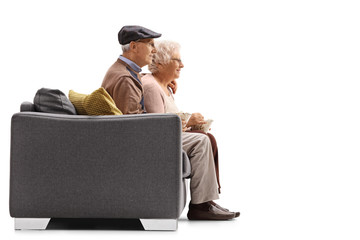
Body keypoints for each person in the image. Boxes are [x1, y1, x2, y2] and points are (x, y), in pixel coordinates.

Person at [101, 25, 239, 220]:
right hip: (136, 144)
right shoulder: (125, 77)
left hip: (141, 136)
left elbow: (135, 107)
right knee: (201, 141)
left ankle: (205, 202)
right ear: (133, 46)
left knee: (203, 138)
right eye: (149, 45)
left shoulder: (126, 73)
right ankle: (201, 205)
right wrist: (183, 121)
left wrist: (160, 83)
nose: (154, 50)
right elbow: (130, 125)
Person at [141, 40, 222, 194]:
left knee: (208, 137)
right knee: (205, 140)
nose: (182, 65)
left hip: (169, 135)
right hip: (159, 141)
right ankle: (204, 203)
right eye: (177, 60)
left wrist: (194, 125)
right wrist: (188, 120)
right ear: (159, 63)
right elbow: (158, 127)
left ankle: (210, 198)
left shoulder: (163, 86)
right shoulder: (151, 86)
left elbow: (167, 117)